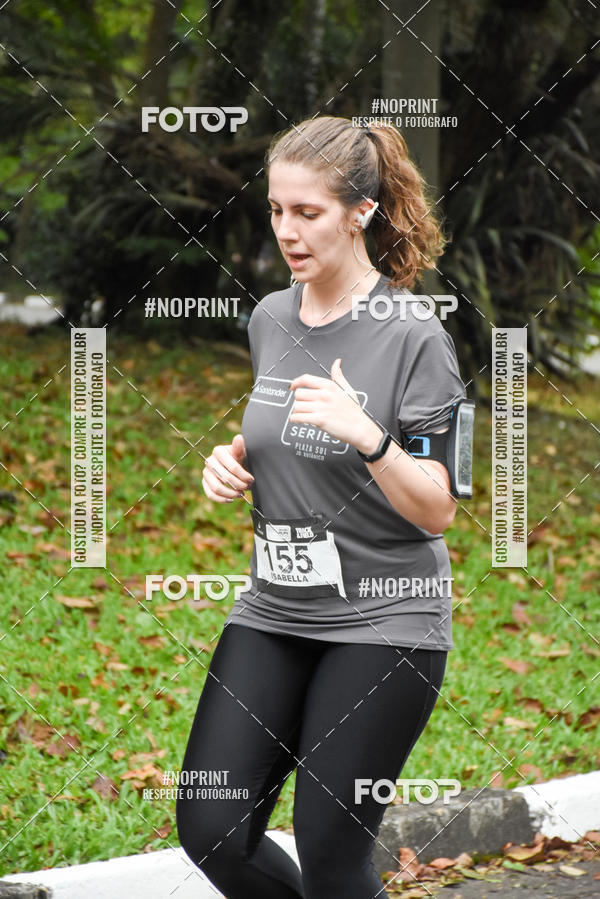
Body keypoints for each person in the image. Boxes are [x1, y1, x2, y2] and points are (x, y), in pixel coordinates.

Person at [176, 115, 470, 899]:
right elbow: (281, 430)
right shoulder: (271, 317)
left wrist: (369, 436)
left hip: (386, 619)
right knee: (212, 830)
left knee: (331, 847)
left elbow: (439, 506)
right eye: (277, 209)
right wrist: (233, 459)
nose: (287, 230)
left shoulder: (416, 335)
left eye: (308, 212)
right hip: (275, 608)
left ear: (360, 212)